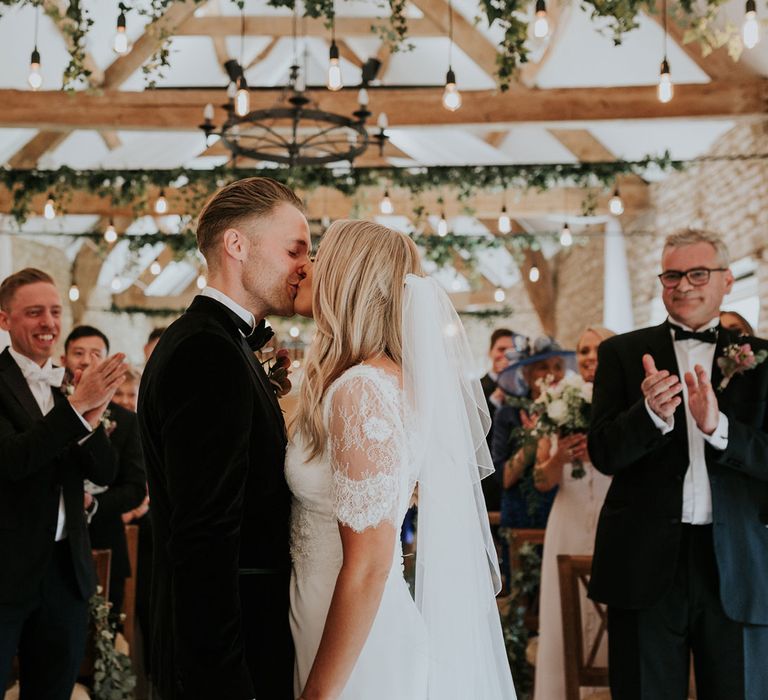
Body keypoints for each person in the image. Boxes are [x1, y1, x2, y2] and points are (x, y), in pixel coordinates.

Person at [288, 220, 515, 700]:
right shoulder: (373, 380)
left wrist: (318, 695)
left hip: (354, 642)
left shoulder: (362, 391)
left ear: (347, 278)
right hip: (328, 617)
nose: (305, 267)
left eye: (319, 258)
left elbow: (370, 563)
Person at [138, 177, 310, 700]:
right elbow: (204, 538)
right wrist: (224, 682)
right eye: (293, 249)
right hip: (230, 655)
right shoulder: (207, 353)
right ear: (237, 245)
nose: (305, 265)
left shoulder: (222, 344)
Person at [588, 229, 768, 699]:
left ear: (727, 280)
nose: (683, 285)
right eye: (672, 275)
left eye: (697, 274)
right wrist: (649, 416)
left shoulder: (763, 361)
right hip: (643, 561)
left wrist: (719, 429)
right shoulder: (622, 355)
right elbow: (604, 454)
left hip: (738, 564)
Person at [0, 268, 126, 700]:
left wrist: (90, 421)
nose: (49, 323)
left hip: (65, 573)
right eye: (34, 312)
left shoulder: (69, 385)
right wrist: (76, 409)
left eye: (54, 312)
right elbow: (13, 461)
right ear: (5, 319)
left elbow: (105, 474)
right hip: (5, 569)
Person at [532, 326, 615, 700]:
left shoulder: (626, 404)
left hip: (613, 519)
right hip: (567, 518)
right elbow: (540, 480)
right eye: (582, 351)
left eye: (598, 349)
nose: (589, 357)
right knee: (564, 611)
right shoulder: (555, 401)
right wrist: (560, 456)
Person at [61, 325, 146, 624]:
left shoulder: (126, 420)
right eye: (78, 353)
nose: (86, 360)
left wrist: (95, 504)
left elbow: (135, 488)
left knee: (105, 634)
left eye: (96, 354)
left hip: (106, 540)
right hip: (53, 553)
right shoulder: (51, 413)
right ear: (64, 360)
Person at [491, 337, 573, 530]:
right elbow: (504, 479)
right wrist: (532, 441)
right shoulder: (508, 414)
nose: (552, 374)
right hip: (523, 514)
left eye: (558, 367)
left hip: (566, 508)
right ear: (527, 375)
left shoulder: (574, 411)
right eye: (543, 368)